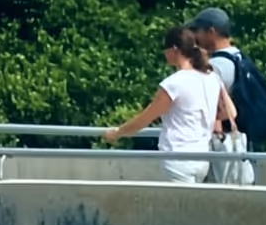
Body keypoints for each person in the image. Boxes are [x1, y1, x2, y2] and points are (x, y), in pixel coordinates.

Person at [102, 25, 238, 181]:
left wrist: (118, 132)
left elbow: (146, 118)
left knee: (177, 205)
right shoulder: (212, 78)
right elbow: (231, 113)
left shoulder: (173, 84)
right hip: (202, 157)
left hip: (177, 158)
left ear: (174, 49)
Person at [189, 8, 266, 185]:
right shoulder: (239, 58)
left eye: (197, 31)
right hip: (241, 143)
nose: (195, 36)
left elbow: (206, 108)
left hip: (222, 145)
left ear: (211, 32)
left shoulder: (216, 66)